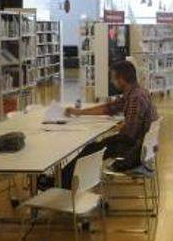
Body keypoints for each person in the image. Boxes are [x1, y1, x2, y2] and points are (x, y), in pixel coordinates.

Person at [59, 60, 159, 189]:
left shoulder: (135, 97)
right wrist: (79, 112)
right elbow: (108, 108)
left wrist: (115, 132)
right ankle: (65, 180)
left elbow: (129, 134)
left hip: (133, 151)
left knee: (91, 150)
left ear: (121, 79)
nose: (112, 81)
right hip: (141, 147)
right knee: (94, 146)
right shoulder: (137, 92)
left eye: (113, 78)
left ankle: (63, 183)